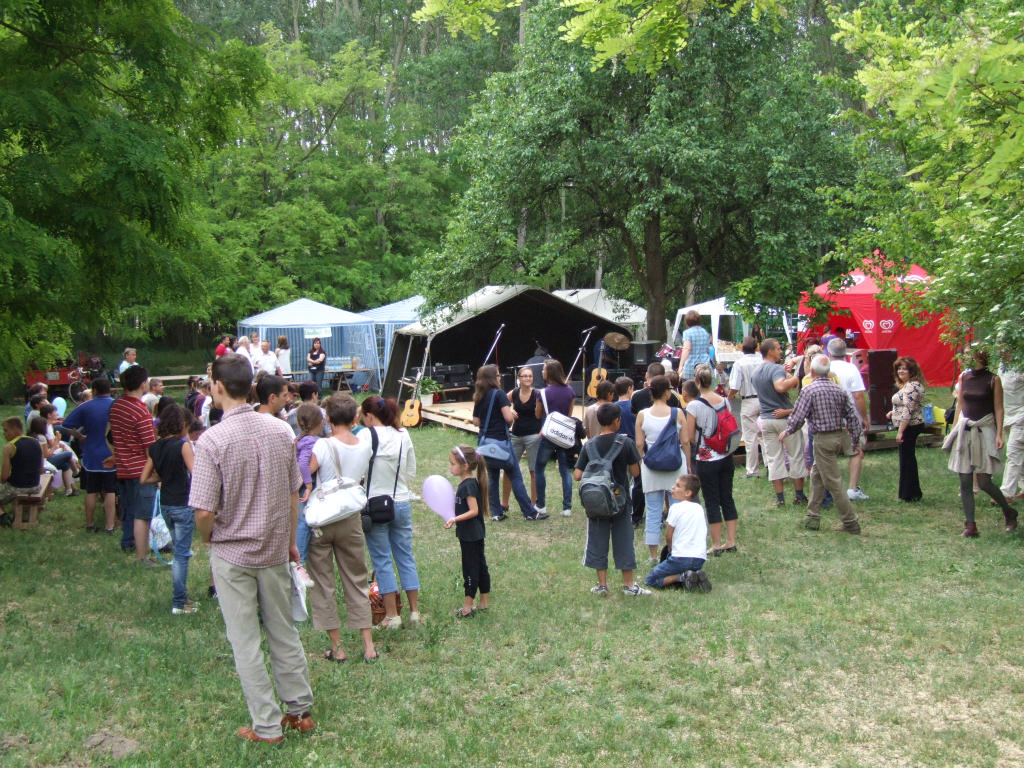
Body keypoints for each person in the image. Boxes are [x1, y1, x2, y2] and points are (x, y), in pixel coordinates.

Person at [189, 352, 314, 743]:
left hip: (233, 553)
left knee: (245, 641)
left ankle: (267, 725)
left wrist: (207, 536)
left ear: (218, 387)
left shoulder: (212, 440)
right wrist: (290, 541)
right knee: (283, 629)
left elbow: (204, 510)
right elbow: (294, 493)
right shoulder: (280, 430)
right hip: (274, 548)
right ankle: (300, 711)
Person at [306, 394, 378, 663]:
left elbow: (306, 472)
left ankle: (337, 648)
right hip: (350, 516)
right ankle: (368, 646)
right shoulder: (365, 445)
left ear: (327, 418)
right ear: (355, 418)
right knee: (357, 578)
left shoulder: (323, 445)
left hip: (323, 518)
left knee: (323, 583)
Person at [780, 354, 863, 534]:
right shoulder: (839, 390)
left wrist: (788, 431)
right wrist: (856, 440)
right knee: (817, 475)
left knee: (834, 482)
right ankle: (812, 517)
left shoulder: (809, 390)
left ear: (811, 370)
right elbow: (852, 416)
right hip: (838, 436)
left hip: (822, 439)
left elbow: (798, 416)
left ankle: (851, 522)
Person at [359, 395, 421, 629]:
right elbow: (411, 471)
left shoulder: (366, 435)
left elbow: (357, 469)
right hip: (401, 500)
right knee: (405, 555)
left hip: (376, 504)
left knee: (382, 559)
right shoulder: (403, 434)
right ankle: (414, 612)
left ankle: (392, 615)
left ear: (369, 416)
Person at [574, 403, 649, 596]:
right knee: (624, 539)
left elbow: (577, 475)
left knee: (597, 539)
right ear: (617, 421)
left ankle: (602, 585)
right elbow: (635, 472)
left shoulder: (590, 445)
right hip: (620, 499)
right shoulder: (626, 443)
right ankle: (629, 585)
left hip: (597, 500)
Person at [943, 347, 1018, 537]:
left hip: (985, 431)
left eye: (970, 353)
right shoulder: (964, 377)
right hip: (965, 431)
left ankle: (1009, 511)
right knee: (965, 480)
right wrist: (953, 431)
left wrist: (999, 434)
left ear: (980, 355)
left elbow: (999, 408)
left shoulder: (993, 379)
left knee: (984, 482)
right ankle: (970, 525)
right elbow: (960, 405)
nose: (965, 356)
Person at [140, 404, 197, 615]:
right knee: (182, 554)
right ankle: (179, 602)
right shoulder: (182, 446)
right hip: (182, 503)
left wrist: (162, 477)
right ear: (182, 424)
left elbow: (144, 478)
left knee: (179, 551)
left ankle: (182, 597)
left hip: (166, 505)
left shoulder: (155, 447)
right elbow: (196, 473)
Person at [473, 364, 544, 521]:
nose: (500, 378)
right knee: (515, 475)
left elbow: (476, 421)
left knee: (492, 477)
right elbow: (508, 418)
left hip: (485, 443)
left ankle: (496, 513)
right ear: (493, 378)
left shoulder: (479, 396)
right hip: (501, 441)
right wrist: (509, 416)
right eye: (498, 375)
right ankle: (529, 512)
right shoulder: (499, 394)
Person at [686, 363, 738, 554]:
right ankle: (731, 541)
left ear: (696, 381)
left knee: (711, 500)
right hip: (726, 454)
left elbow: (690, 436)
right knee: (727, 497)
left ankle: (716, 544)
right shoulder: (724, 401)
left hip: (706, 457)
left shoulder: (694, 406)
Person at [635, 375, 688, 562]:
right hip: (675, 464)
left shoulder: (642, 415)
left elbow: (639, 444)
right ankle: (675, 551)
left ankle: (653, 555)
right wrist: (688, 463)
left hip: (651, 466)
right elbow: (685, 441)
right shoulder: (678, 413)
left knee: (653, 512)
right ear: (667, 393)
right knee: (677, 510)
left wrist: (643, 461)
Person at [109, 365, 159, 561]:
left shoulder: (116, 406)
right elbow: (149, 447)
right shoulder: (140, 411)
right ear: (142, 384)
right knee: (143, 515)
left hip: (122, 467)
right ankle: (142, 554)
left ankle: (129, 541)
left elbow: (113, 436)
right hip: (141, 469)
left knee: (129, 509)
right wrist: (156, 471)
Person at [752, 338, 808, 508]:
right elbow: (780, 387)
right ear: (770, 351)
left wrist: (787, 376)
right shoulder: (776, 368)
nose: (780, 351)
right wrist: (796, 378)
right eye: (778, 348)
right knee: (795, 455)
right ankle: (799, 495)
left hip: (766, 419)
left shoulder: (756, 371)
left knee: (774, 458)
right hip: (783, 419)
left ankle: (780, 498)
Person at [62, 376, 117, 532]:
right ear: (110, 390)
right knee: (110, 491)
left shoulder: (86, 406)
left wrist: (80, 436)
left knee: (91, 491)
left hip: (91, 454)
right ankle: (110, 525)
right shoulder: (116, 405)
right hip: (112, 453)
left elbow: (66, 425)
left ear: (94, 390)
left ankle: (90, 524)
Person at [445, 445, 491, 617]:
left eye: (453, 464)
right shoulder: (467, 484)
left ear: (465, 466)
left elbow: (474, 511)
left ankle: (467, 608)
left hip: (471, 536)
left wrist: (455, 519)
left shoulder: (468, 486)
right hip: (472, 534)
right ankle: (483, 603)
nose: (450, 467)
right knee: (480, 566)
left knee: (471, 569)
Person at [644, 474, 711, 592]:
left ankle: (682, 577)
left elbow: (668, 535)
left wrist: (670, 549)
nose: (673, 487)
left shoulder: (675, 508)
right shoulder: (699, 508)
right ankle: (694, 576)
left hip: (680, 558)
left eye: (678, 486)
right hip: (699, 559)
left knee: (651, 579)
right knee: (680, 570)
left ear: (688, 493)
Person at [826, 338, 870, 501]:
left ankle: (830, 488)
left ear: (829, 353)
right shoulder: (851, 369)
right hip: (850, 417)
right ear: (845, 353)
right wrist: (864, 417)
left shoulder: (825, 367)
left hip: (828, 417)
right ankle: (852, 488)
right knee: (855, 451)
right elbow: (858, 395)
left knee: (828, 454)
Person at [533, 359, 576, 517]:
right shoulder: (570, 391)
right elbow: (569, 415)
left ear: (549, 373)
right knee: (565, 469)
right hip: (563, 435)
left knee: (539, 468)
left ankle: (541, 505)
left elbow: (538, 415)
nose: (542, 372)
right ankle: (567, 507)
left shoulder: (542, 393)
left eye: (544, 369)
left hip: (548, 434)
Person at [500, 366, 542, 519]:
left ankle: (533, 503)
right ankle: (504, 503)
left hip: (533, 436)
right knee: (509, 468)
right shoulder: (515, 392)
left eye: (530, 376)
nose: (527, 378)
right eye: (524, 376)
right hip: (516, 435)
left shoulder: (537, 394)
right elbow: (502, 402)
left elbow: (544, 412)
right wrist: (510, 410)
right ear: (519, 378)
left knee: (533, 470)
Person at [887, 356, 927, 502]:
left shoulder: (912, 386)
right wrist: (893, 412)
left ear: (912, 371)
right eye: (899, 368)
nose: (901, 371)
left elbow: (909, 410)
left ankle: (909, 494)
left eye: (904, 369)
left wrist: (900, 432)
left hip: (910, 426)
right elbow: (904, 405)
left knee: (907, 460)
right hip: (907, 425)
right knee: (906, 459)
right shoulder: (907, 385)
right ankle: (911, 492)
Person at [728, 336, 764, 478]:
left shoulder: (739, 363)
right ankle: (770, 465)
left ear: (743, 348)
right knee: (765, 435)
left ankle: (752, 470)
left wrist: (730, 396)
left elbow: (735, 385)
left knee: (750, 437)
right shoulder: (762, 361)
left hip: (748, 400)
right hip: (764, 399)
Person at [293, 403, 323, 566]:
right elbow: (303, 464)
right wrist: (309, 484)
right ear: (320, 423)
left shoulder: (299, 439)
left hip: (298, 483)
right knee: (303, 520)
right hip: (305, 485)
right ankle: (301, 559)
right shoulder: (312, 441)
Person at [0, 418, 43, 526]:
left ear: (15, 429)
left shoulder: (9, 447)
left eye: (6, 430)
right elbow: (41, 469)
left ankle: (3, 516)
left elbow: (4, 477)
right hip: (35, 485)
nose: (4, 434)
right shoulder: (36, 442)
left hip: (17, 487)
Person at [999, 358, 1024, 503]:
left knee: (1013, 453)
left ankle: (1006, 494)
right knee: (1019, 453)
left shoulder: (1021, 362)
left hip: (1021, 416)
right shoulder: (1002, 364)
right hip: (1007, 416)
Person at [677, 310, 712, 381]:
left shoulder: (687, 333)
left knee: (689, 386)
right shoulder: (705, 332)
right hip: (705, 365)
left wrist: (680, 366)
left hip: (692, 366)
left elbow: (687, 349)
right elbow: (708, 350)